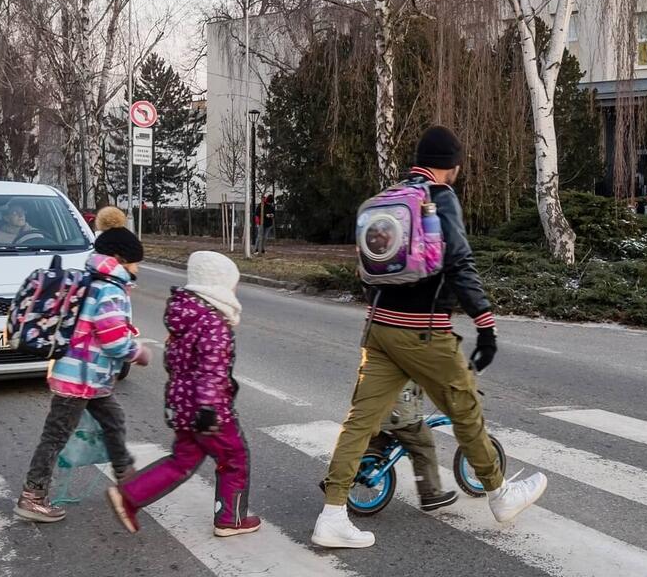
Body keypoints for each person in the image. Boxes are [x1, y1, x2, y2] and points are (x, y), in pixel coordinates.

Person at [311, 125, 547, 549]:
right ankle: (499, 493)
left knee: (360, 422)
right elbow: (459, 261)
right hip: (424, 330)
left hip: (380, 327)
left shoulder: (391, 197)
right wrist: (485, 323)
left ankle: (332, 515)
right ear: (452, 166)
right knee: (465, 408)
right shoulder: (439, 199)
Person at [107, 251, 261, 536]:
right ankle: (231, 518)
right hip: (210, 411)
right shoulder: (214, 323)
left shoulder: (186, 317)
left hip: (183, 405)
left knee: (182, 460)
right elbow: (212, 370)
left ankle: (129, 496)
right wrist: (208, 408)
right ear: (218, 284)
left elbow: (175, 363)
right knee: (235, 458)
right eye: (232, 283)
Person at [14, 206, 152, 523]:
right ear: (119, 259)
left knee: (114, 420)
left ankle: (127, 480)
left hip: (91, 379)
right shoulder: (109, 290)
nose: (138, 269)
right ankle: (32, 496)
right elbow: (114, 340)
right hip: (81, 380)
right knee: (56, 436)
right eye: (135, 262)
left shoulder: (91, 279)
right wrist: (139, 353)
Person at [369, 381, 457, 511]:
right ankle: (430, 494)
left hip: (377, 406)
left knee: (378, 444)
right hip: (398, 412)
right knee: (423, 445)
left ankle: (344, 478)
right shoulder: (417, 359)